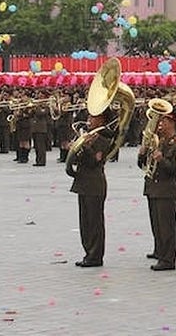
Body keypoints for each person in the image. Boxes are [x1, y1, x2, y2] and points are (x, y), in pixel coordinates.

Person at [138, 109, 176, 271]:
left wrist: (162, 160)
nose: (160, 123)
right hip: (154, 188)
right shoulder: (159, 141)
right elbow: (144, 166)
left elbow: (175, 170)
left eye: (164, 121)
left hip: (167, 189)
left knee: (167, 227)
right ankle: (160, 251)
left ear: (172, 123)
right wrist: (142, 155)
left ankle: (168, 259)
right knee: (157, 224)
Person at [67, 110, 115, 268]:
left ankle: (95, 256)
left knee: (94, 223)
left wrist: (86, 146)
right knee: (85, 223)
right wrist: (74, 148)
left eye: (92, 117)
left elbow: (96, 160)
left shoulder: (103, 138)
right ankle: (88, 252)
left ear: (101, 120)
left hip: (94, 184)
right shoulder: (88, 135)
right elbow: (76, 160)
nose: (88, 120)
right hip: (83, 183)